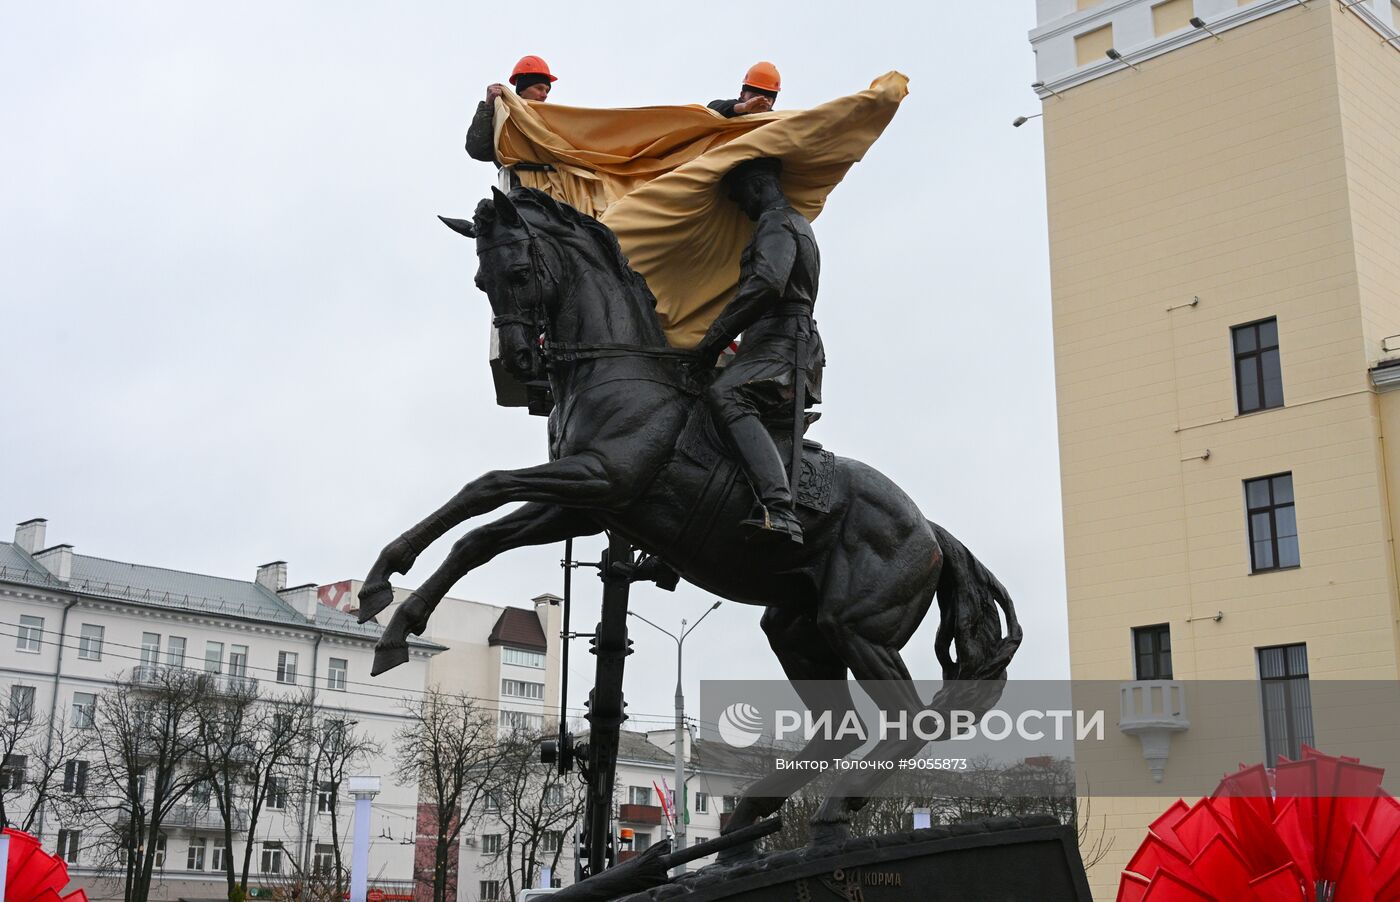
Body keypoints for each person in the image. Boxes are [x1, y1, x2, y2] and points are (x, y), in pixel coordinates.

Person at [691, 157, 822, 545]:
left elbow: (767, 282)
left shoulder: (778, 222)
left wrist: (713, 338)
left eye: (740, 197)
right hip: (769, 341)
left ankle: (778, 509)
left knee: (726, 394)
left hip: (783, 344)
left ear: (758, 186)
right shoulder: (788, 223)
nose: (741, 208)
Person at [466, 55, 557, 164]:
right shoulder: (504, 118)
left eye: (547, 91)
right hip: (518, 179)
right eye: (539, 88)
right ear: (522, 90)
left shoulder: (550, 121)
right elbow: (477, 150)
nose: (544, 95)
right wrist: (488, 106)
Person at [708, 61, 781, 118]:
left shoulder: (777, 121)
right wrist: (744, 107)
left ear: (773, 103)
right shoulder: (726, 108)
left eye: (766, 100)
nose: (759, 102)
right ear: (742, 95)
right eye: (754, 97)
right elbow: (711, 108)